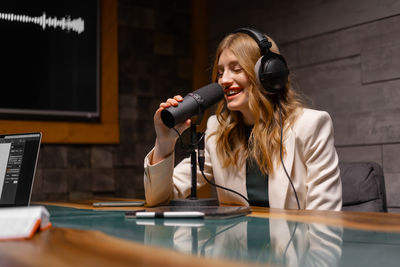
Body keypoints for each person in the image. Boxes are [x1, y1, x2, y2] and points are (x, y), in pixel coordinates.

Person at [143, 28, 342, 210]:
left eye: (236, 69)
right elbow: (159, 199)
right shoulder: (216, 130)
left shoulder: (311, 125)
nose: (224, 80)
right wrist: (164, 142)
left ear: (269, 73)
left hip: (294, 249)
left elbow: (325, 219)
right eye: (220, 72)